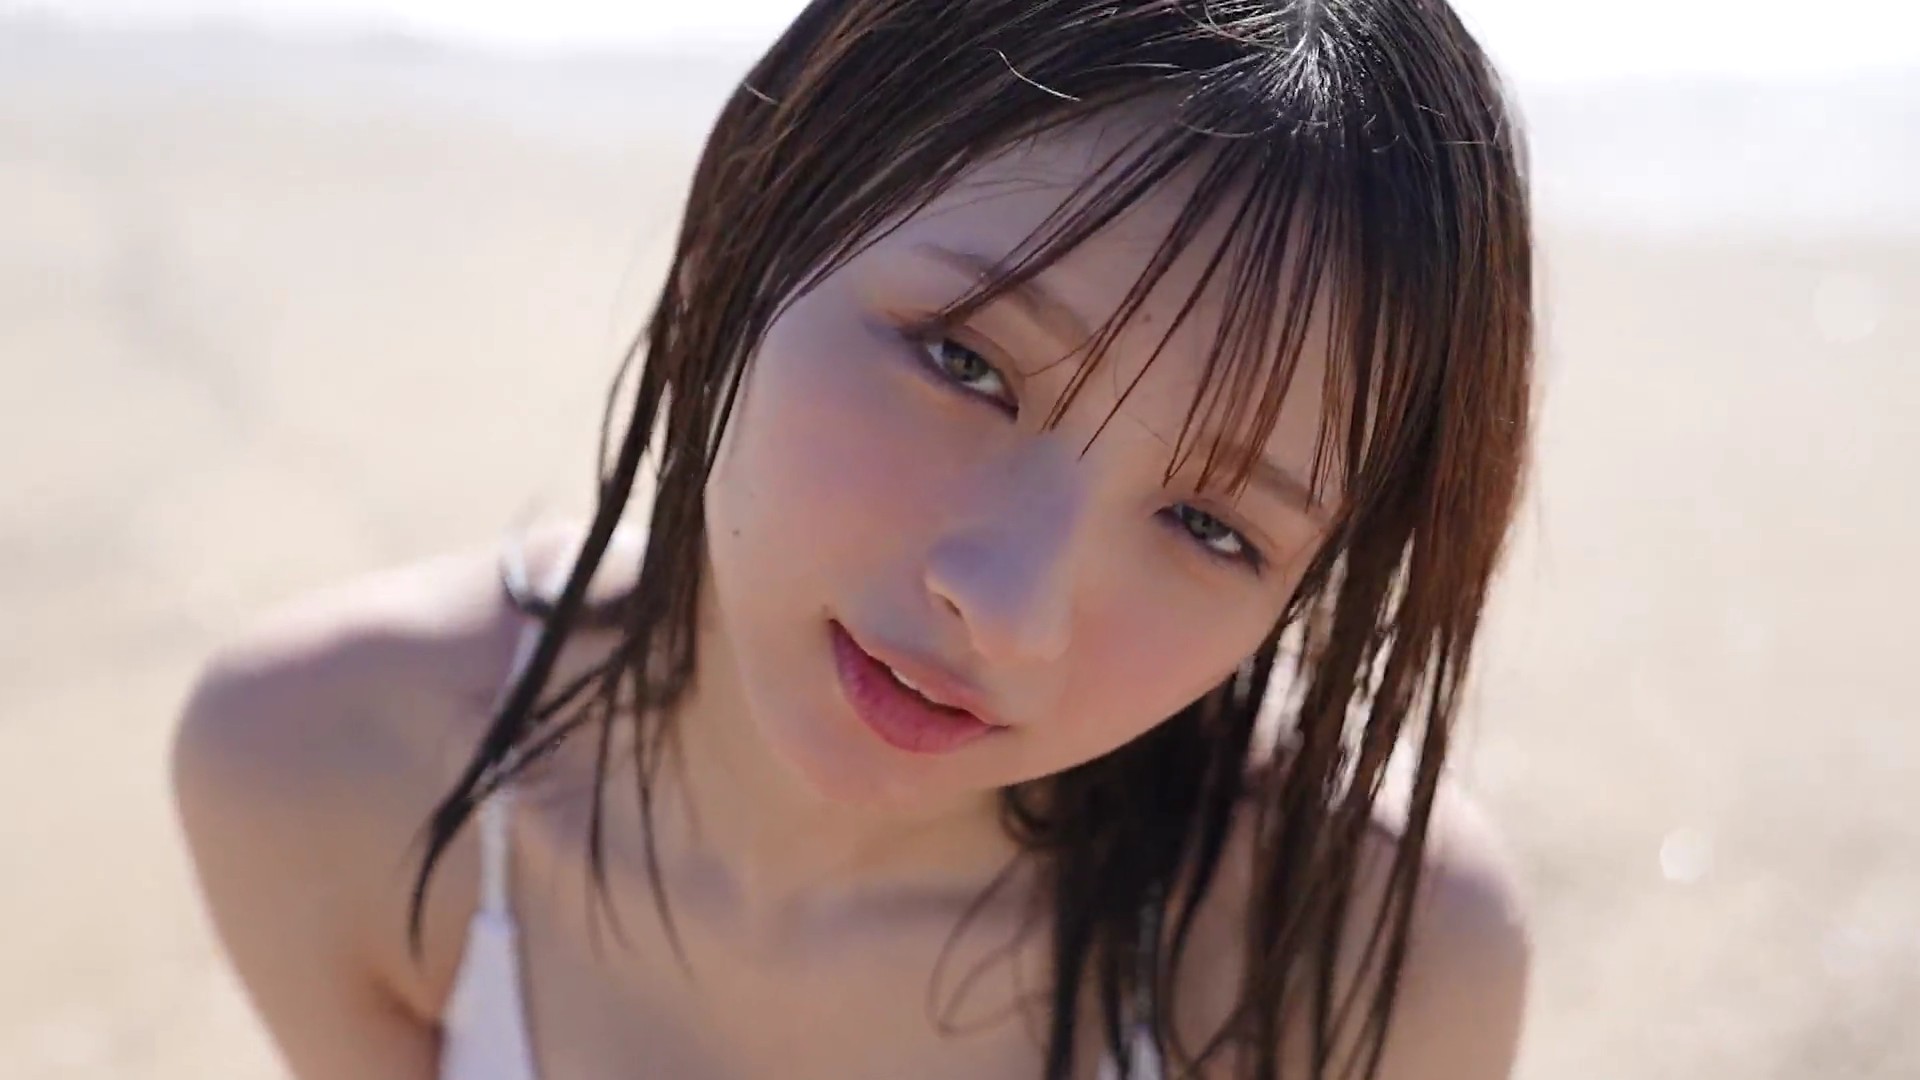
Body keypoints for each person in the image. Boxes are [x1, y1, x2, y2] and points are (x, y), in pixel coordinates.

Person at [172, 1, 1536, 1077]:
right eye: (965, 364)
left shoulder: (1362, 950)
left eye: (1210, 526)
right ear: (742, 238)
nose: (1009, 608)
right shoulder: (324, 771)